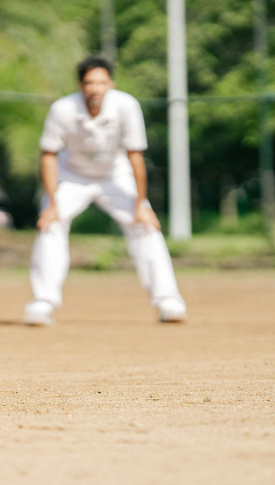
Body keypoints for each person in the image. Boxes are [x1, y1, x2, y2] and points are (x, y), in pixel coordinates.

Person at [23, 54, 186, 326]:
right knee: (50, 225)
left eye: (102, 82)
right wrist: (51, 204)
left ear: (111, 84)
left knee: (146, 226)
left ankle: (168, 301)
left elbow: (135, 156)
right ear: (81, 86)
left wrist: (141, 205)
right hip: (72, 176)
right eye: (90, 83)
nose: (96, 88)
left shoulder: (127, 106)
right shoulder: (62, 109)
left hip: (115, 175)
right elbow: (49, 155)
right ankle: (43, 302)